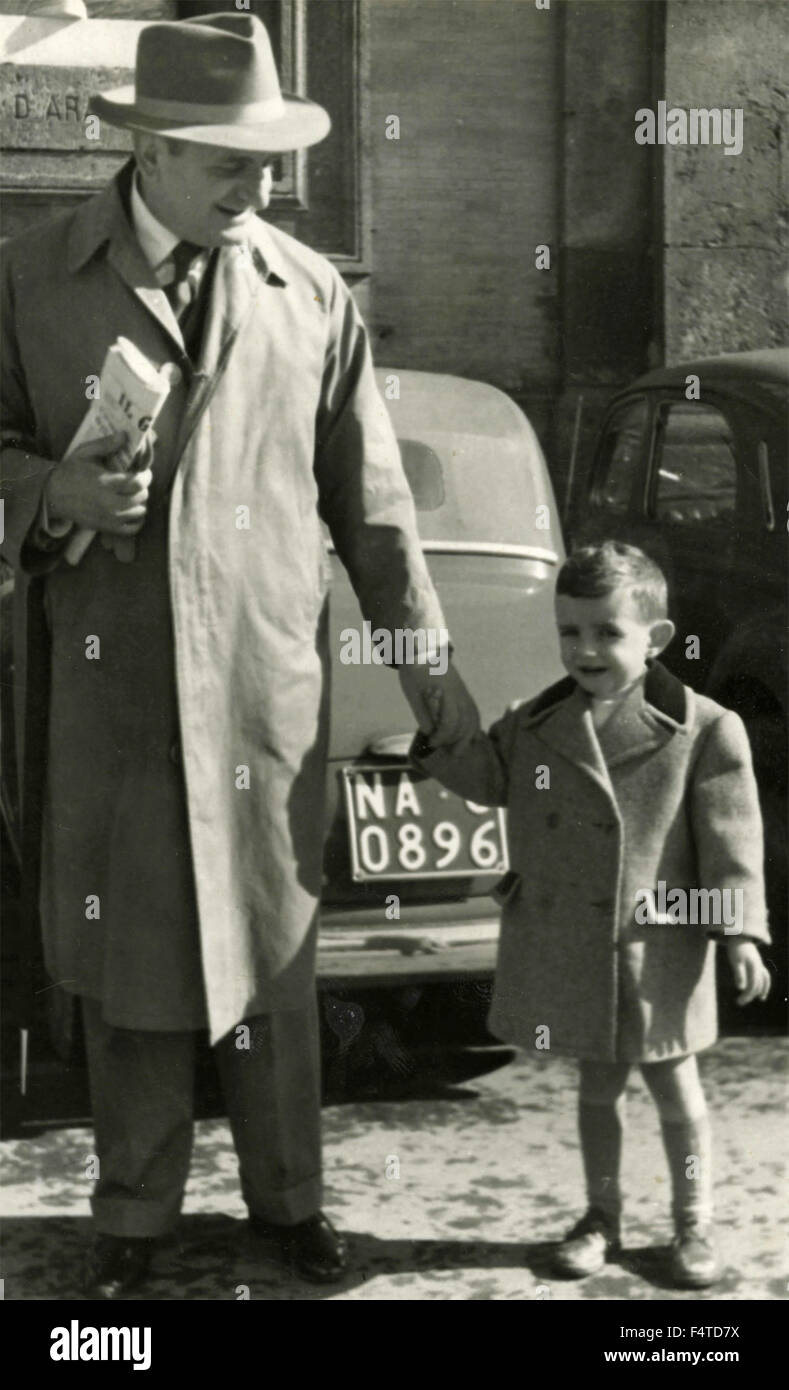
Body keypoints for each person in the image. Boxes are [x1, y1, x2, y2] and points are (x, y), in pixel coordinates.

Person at [0, 12, 478, 1298]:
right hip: (111, 694)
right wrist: (52, 495)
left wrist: (438, 686)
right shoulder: (29, 278)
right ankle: (132, 1218)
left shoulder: (309, 292)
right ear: (151, 149)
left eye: (273, 162)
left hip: (265, 694)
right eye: (233, 161)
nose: (262, 188)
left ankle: (292, 1202)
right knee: (130, 963)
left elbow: (374, 512)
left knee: (273, 952)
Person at [412, 541, 771, 1288]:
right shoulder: (537, 722)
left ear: (657, 639)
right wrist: (436, 713)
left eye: (607, 632)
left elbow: (730, 845)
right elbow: (485, 774)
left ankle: (691, 1222)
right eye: (568, 632)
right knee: (597, 1088)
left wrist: (738, 932)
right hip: (578, 946)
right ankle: (599, 1216)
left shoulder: (702, 730)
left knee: (676, 1088)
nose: (584, 650)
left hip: (660, 948)